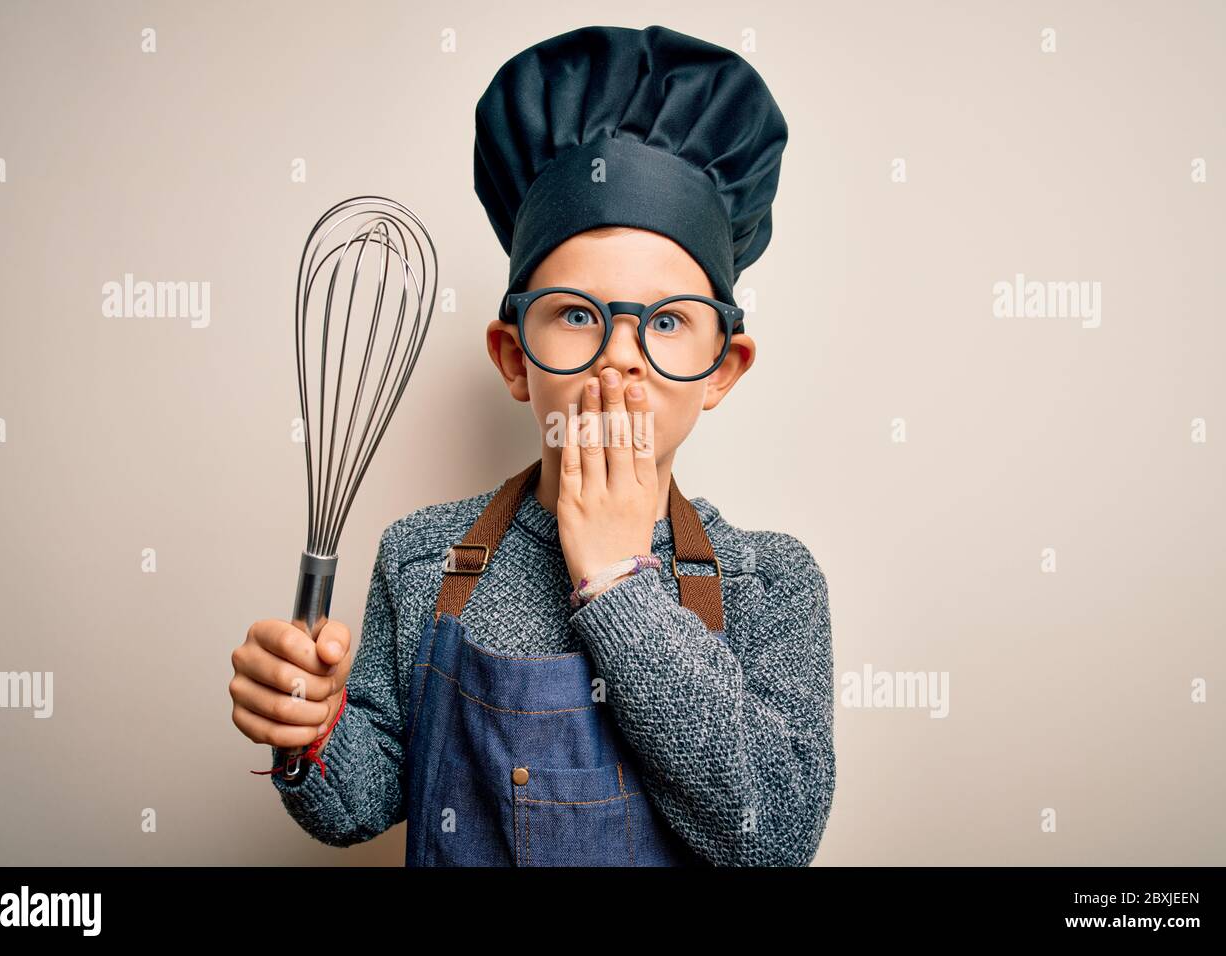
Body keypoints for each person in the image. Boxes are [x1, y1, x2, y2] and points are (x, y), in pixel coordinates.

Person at [230, 24, 835, 867]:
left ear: (722, 370)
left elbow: (768, 839)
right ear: (516, 358)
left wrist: (618, 581)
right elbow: (361, 803)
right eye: (578, 314)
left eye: (666, 322)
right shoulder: (423, 560)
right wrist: (311, 726)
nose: (621, 355)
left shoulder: (773, 584)